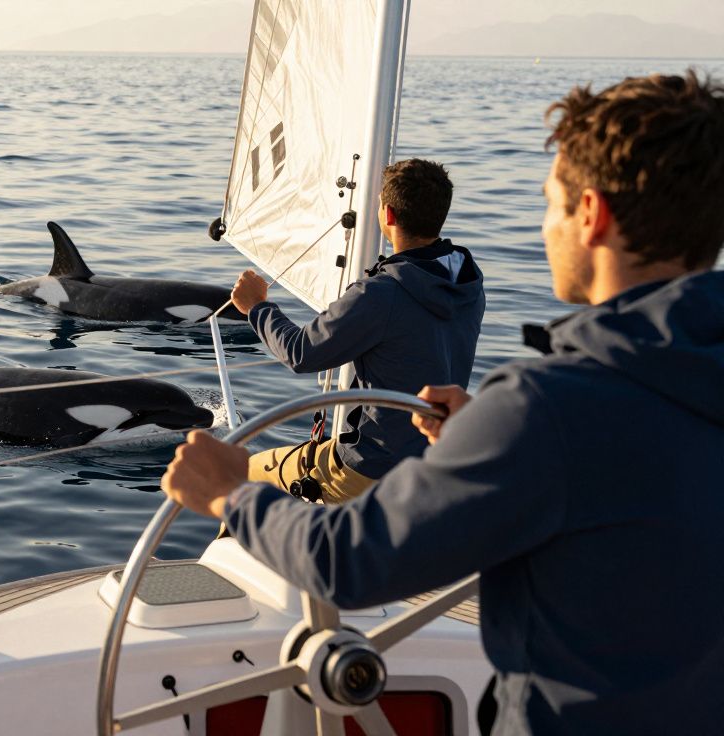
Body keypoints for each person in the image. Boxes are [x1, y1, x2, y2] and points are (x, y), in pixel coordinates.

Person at [163, 70, 724, 734]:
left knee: (251, 475)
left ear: (591, 214)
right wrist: (488, 424)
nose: (546, 227)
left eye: (550, 203)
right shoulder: (562, 392)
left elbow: (346, 562)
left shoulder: (544, 413)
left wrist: (230, 492)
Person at [233, 159, 484, 503]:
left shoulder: (381, 294)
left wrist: (257, 307)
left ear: (388, 215)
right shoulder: (468, 282)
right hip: (435, 462)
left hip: (371, 470)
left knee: (235, 473)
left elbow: (300, 353)